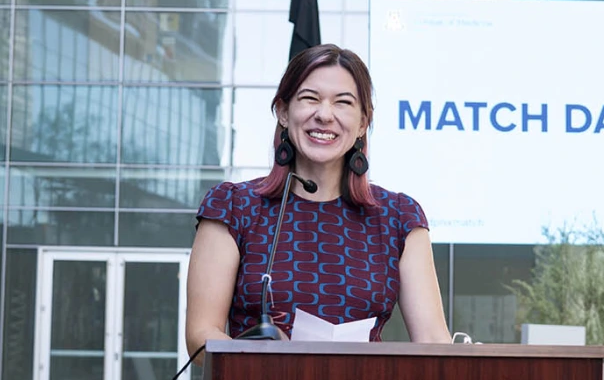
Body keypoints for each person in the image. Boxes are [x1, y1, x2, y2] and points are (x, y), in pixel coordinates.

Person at [185, 43, 451, 353]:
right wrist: (260, 360)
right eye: (310, 98)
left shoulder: (399, 218)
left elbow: (434, 343)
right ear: (284, 112)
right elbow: (201, 335)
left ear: (363, 123)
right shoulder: (233, 207)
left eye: (343, 103)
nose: (324, 115)